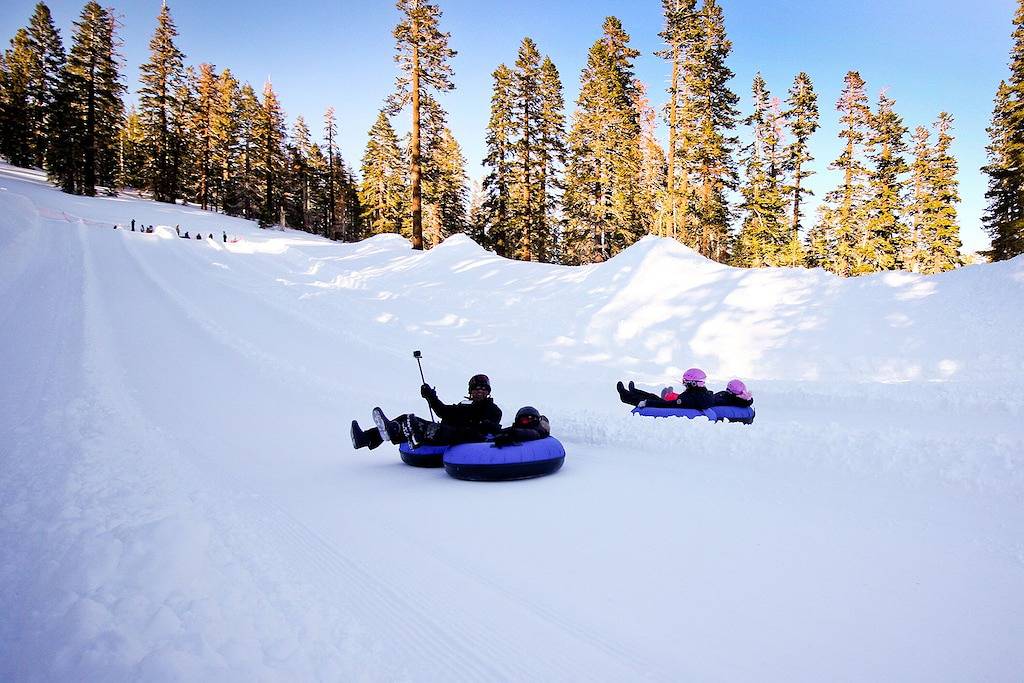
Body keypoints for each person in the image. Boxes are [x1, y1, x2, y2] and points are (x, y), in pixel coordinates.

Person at [351, 373, 502, 450]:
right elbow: (443, 411)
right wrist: (430, 396)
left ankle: (399, 431)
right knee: (406, 418)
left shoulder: (492, 409)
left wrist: (485, 424)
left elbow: (489, 426)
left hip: (462, 437)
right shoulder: (463, 406)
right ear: (471, 391)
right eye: (476, 389)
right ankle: (367, 438)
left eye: (483, 389)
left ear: (488, 392)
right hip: (446, 431)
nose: (480, 392)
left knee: (417, 424)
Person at [616, 367, 713, 410]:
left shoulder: (690, 398)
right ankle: (634, 391)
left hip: (671, 408)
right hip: (678, 405)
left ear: (693, 383)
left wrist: (647, 403)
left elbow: (669, 405)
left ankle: (625, 396)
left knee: (650, 399)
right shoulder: (701, 394)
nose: (684, 384)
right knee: (653, 396)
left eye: (685, 382)